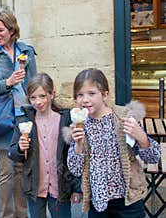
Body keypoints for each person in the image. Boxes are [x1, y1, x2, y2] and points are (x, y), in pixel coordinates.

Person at [67, 68, 161, 217]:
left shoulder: (123, 117)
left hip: (128, 200)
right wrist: (78, 144)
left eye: (91, 93)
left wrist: (142, 137)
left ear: (105, 94)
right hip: (98, 202)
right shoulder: (79, 124)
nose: (85, 99)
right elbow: (75, 169)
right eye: (80, 95)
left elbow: (153, 157)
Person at [0, 10, 37, 218]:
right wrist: (8, 83)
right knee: (6, 172)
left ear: (12, 30)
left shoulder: (27, 51)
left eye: (0, 29)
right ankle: (7, 215)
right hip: (3, 118)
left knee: (21, 169)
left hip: (25, 117)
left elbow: (35, 85)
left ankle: (22, 214)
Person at [8, 73, 82, 218]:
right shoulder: (25, 121)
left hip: (61, 186)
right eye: (33, 97)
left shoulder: (65, 120)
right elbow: (12, 153)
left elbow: (74, 156)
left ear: (52, 94)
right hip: (34, 186)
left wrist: (77, 188)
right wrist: (19, 148)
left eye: (42, 96)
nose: (38, 102)